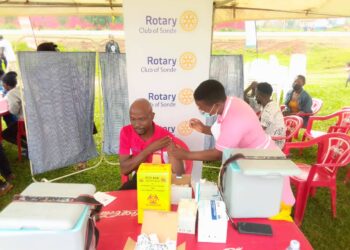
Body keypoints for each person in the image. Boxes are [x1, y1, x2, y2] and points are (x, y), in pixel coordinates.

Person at [119, 98, 184, 190]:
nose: (137, 124)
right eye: (133, 119)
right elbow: (124, 170)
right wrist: (149, 150)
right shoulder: (126, 132)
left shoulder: (165, 137)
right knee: (122, 196)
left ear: (152, 116)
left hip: (163, 181)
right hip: (140, 179)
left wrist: (174, 155)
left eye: (141, 119)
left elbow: (179, 175)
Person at [244, 82, 286, 149]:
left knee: (244, 142)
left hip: (274, 143)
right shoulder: (265, 104)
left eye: (256, 94)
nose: (255, 97)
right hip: (269, 139)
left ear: (260, 95)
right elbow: (243, 97)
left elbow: (259, 130)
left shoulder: (270, 109)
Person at [1, 71, 27, 151]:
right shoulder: (20, 89)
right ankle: (27, 143)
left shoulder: (11, 94)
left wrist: (9, 107)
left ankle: (27, 148)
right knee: (12, 126)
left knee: (4, 134)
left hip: (24, 122)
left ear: (6, 85)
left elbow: (14, 111)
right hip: (30, 119)